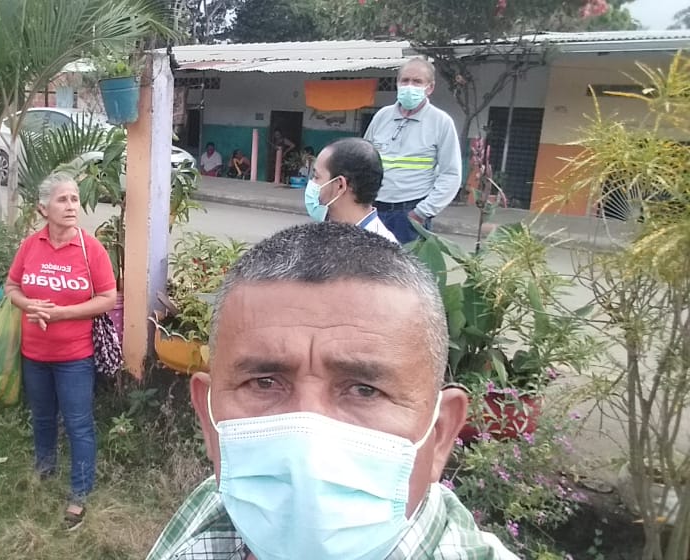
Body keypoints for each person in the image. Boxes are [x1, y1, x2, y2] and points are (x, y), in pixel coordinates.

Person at [147, 223, 518, 560]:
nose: (306, 448)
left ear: (440, 434)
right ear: (209, 419)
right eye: (264, 382)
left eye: (364, 390)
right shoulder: (210, 517)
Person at [4, 172, 117, 530]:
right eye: (62, 199)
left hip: (74, 357)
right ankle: (44, 470)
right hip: (34, 354)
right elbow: (11, 285)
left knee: (78, 423)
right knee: (41, 417)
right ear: (43, 208)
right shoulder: (30, 246)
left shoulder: (90, 248)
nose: (71, 206)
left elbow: (108, 298)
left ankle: (79, 494)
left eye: (74, 199)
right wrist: (28, 305)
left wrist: (62, 314)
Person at [365, 57, 462, 244]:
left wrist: (422, 212)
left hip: (409, 214)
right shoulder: (382, 116)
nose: (409, 86)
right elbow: (363, 159)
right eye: (405, 80)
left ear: (430, 88)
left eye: (417, 81)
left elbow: (451, 174)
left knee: (406, 264)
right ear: (397, 83)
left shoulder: (441, 122)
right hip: (374, 210)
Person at [305, 137, 398, 243]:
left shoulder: (378, 248)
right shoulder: (332, 231)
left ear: (340, 185)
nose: (312, 183)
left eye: (316, 177)